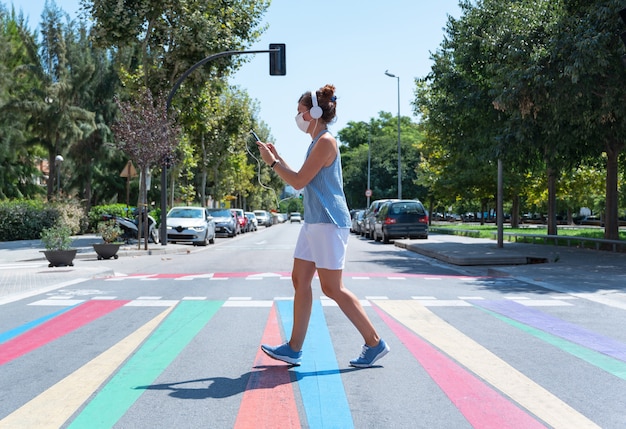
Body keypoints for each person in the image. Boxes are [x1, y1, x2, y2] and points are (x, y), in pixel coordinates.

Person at [255, 84, 390, 368]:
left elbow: (298, 181)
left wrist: (272, 163)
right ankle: (293, 348)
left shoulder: (326, 141)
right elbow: (302, 178)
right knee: (300, 280)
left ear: (314, 113)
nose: (298, 118)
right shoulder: (316, 143)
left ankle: (374, 342)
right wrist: (278, 159)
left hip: (328, 222)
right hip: (314, 221)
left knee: (332, 287)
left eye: (300, 112)